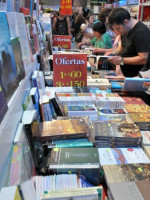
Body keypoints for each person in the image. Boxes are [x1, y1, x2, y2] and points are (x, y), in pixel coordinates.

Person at [107, 7, 150, 77]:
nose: (117, 32)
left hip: (136, 78)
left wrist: (121, 60)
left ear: (126, 22)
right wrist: (112, 53)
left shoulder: (141, 33)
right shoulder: (125, 30)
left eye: (118, 28)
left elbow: (144, 59)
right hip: (125, 75)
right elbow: (122, 48)